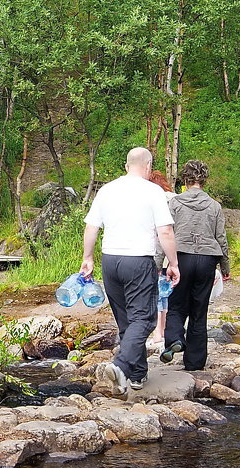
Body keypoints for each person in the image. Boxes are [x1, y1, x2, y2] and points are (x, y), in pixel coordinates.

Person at [80, 147, 181, 394]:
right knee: (144, 319)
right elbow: (165, 231)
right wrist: (174, 263)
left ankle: (136, 376)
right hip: (138, 260)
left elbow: (92, 227)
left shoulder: (107, 189)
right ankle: (121, 365)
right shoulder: (153, 191)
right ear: (148, 166)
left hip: (110, 260)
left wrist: (87, 258)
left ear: (127, 166)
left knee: (126, 320)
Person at [159, 160, 230, 371]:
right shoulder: (214, 206)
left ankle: (174, 340)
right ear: (204, 180)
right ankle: (195, 362)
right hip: (207, 259)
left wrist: (156, 263)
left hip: (180, 258)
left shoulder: (175, 203)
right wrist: (225, 266)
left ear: (186, 179)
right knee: (199, 310)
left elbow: (165, 234)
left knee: (177, 304)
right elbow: (221, 239)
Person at [148, 170, 177, 346]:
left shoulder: (154, 200)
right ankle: (164, 330)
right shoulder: (175, 199)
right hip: (173, 252)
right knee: (165, 291)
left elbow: (158, 233)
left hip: (158, 252)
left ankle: (157, 333)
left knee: (157, 293)